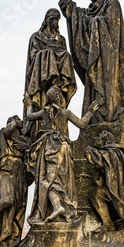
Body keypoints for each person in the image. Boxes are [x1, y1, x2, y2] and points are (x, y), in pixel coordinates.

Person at [59, 0, 124, 126]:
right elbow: (75, 15)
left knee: (106, 86)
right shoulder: (89, 10)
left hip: (107, 55)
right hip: (94, 54)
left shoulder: (112, 3)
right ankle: (94, 118)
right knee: (93, 84)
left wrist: (94, 23)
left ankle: (108, 115)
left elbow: (111, 23)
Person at [24, 86, 99, 224]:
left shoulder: (43, 113)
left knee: (49, 181)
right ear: (59, 99)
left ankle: (58, 206)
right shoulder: (65, 113)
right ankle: (59, 206)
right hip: (63, 148)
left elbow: (29, 116)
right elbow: (82, 124)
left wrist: (28, 105)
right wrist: (90, 112)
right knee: (59, 181)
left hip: (49, 147)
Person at [24, 8, 77, 139]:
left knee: (67, 56)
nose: (54, 22)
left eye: (57, 20)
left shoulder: (61, 39)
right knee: (47, 53)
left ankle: (62, 83)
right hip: (40, 80)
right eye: (52, 19)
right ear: (46, 20)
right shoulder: (36, 37)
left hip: (56, 85)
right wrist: (49, 54)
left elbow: (63, 54)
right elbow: (34, 56)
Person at [0, 115, 31, 246]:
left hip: (20, 176)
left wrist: (27, 145)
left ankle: (9, 236)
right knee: (7, 200)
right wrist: (19, 123)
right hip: (5, 173)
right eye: (15, 122)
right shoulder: (3, 136)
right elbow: (10, 128)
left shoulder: (24, 141)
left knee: (18, 207)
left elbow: (32, 151)